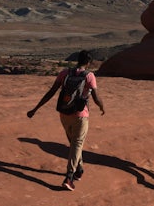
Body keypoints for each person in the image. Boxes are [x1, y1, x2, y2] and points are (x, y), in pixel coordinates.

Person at [27, 50, 105, 191]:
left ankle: (79, 169)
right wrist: (102, 107)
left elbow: (51, 92)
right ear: (88, 63)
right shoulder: (89, 76)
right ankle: (69, 176)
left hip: (64, 114)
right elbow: (96, 97)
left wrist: (35, 108)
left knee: (74, 143)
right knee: (77, 143)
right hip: (80, 115)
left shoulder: (65, 73)